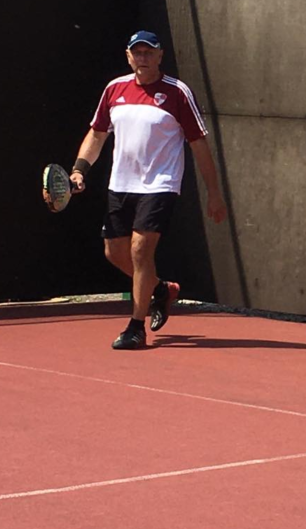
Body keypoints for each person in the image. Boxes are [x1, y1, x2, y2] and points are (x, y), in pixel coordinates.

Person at [66, 30, 227, 349]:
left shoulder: (178, 92)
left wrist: (214, 193)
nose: (143, 58)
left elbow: (199, 145)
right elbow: (97, 135)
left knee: (141, 251)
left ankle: (135, 326)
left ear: (159, 55)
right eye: (137, 52)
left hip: (160, 184)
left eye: (148, 52)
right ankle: (160, 290)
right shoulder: (114, 89)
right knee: (114, 252)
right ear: (128, 56)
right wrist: (79, 170)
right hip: (120, 184)